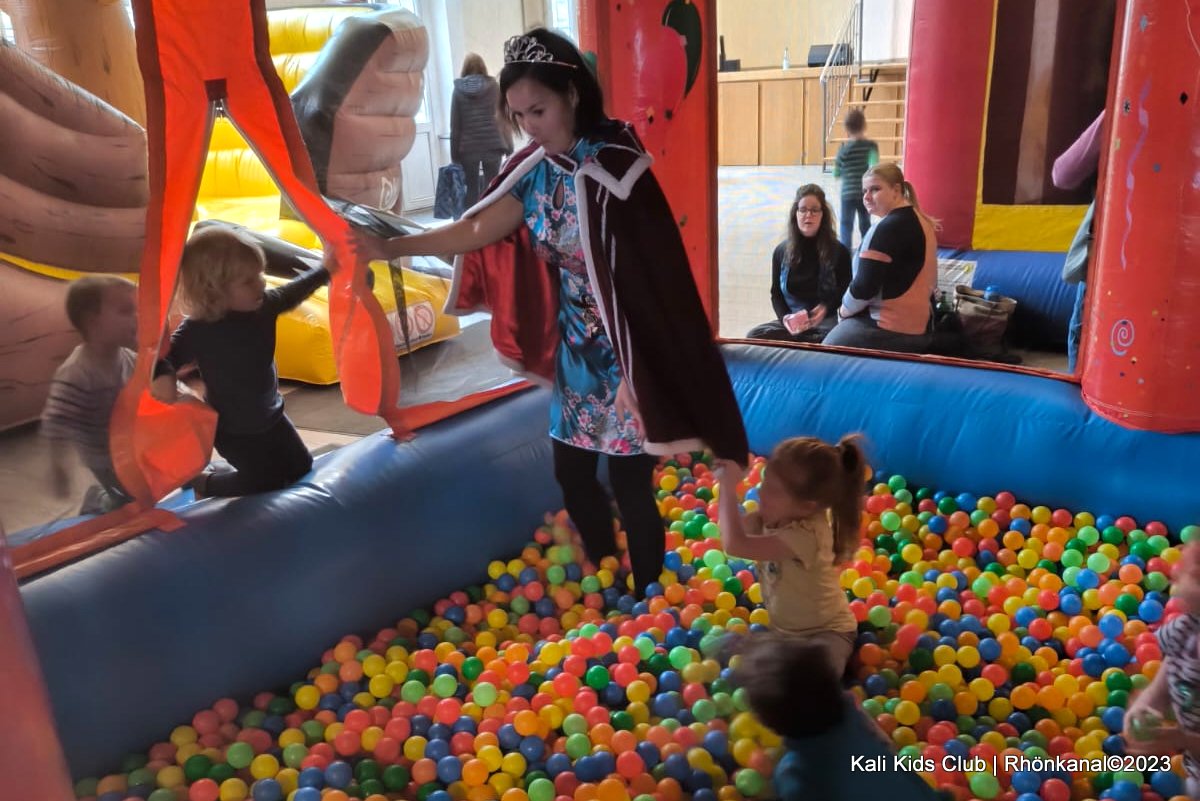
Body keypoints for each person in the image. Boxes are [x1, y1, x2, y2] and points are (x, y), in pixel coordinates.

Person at [358, 28, 748, 598]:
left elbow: (654, 281)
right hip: (578, 353)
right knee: (571, 474)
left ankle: (649, 595)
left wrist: (639, 375)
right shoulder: (535, 169)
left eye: (538, 109)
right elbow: (473, 228)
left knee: (630, 480)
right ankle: (608, 575)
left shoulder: (616, 166)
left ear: (572, 95)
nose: (530, 126)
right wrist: (391, 246)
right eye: (518, 115)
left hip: (627, 352)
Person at [150, 225, 329, 497]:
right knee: (263, 481)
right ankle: (204, 483)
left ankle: (222, 472)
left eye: (259, 274)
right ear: (213, 290)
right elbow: (166, 359)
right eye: (248, 281)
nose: (262, 283)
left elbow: (296, 290)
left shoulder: (265, 306)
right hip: (234, 430)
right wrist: (162, 378)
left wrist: (327, 270)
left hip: (273, 416)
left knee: (301, 467)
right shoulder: (200, 328)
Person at [715, 436, 863, 674]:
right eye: (764, 481)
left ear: (807, 506)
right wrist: (728, 479)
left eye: (773, 489)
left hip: (827, 633)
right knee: (723, 649)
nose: (761, 491)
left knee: (815, 682)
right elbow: (730, 529)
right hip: (785, 635)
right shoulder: (772, 517)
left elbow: (735, 544)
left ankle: (843, 705)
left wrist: (728, 486)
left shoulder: (807, 535)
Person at [734, 633, 941, 800]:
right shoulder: (849, 713)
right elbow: (887, 752)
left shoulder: (795, 776)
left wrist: (767, 783)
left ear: (771, 723)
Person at [40, 276, 138, 514]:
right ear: (93, 322)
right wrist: (58, 466)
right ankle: (98, 501)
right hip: (103, 456)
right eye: (126, 311)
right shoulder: (77, 373)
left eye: (137, 309)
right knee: (127, 498)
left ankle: (108, 495)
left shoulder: (128, 356)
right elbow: (56, 422)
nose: (137, 317)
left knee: (143, 488)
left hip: (129, 445)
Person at [824, 163, 938, 354]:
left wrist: (842, 311)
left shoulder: (887, 228)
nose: (866, 197)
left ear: (896, 190)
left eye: (875, 189)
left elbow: (863, 288)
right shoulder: (921, 221)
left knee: (823, 355)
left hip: (888, 329)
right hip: (920, 328)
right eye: (864, 191)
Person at [1123, 542, 1200, 797]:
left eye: (1195, 573)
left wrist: (1181, 739)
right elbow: (1162, 685)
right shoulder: (1184, 631)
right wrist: (1144, 708)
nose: (1176, 574)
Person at [745, 185, 851, 344]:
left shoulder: (839, 251)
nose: (808, 215)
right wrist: (785, 318)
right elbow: (776, 293)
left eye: (815, 210)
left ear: (823, 215)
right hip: (793, 323)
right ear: (795, 214)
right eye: (803, 210)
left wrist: (825, 308)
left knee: (833, 343)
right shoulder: (781, 251)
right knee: (754, 335)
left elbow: (846, 290)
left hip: (824, 323)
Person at [1053, 111, 1105, 373]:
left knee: (1088, 339)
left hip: (1114, 255)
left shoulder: (1126, 105)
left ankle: (1083, 408)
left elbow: (1063, 174)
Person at [452, 53, 515, 209]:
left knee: (471, 189)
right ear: (483, 68)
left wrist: (454, 154)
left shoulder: (458, 91)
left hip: (468, 149)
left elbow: (455, 125)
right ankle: (491, 222)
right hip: (493, 145)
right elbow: (503, 118)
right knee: (493, 186)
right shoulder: (494, 87)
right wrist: (509, 146)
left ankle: (470, 222)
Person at [832, 108, 879, 251]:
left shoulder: (843, 150)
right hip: (864, 192)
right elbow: (874, 166)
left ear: (846, 128)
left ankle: (845, 253)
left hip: (847, 194)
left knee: (846, 224)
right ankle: (866, 249)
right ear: (864, 125)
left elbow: (836, 172)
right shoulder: (870, 146)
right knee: (865, 222)